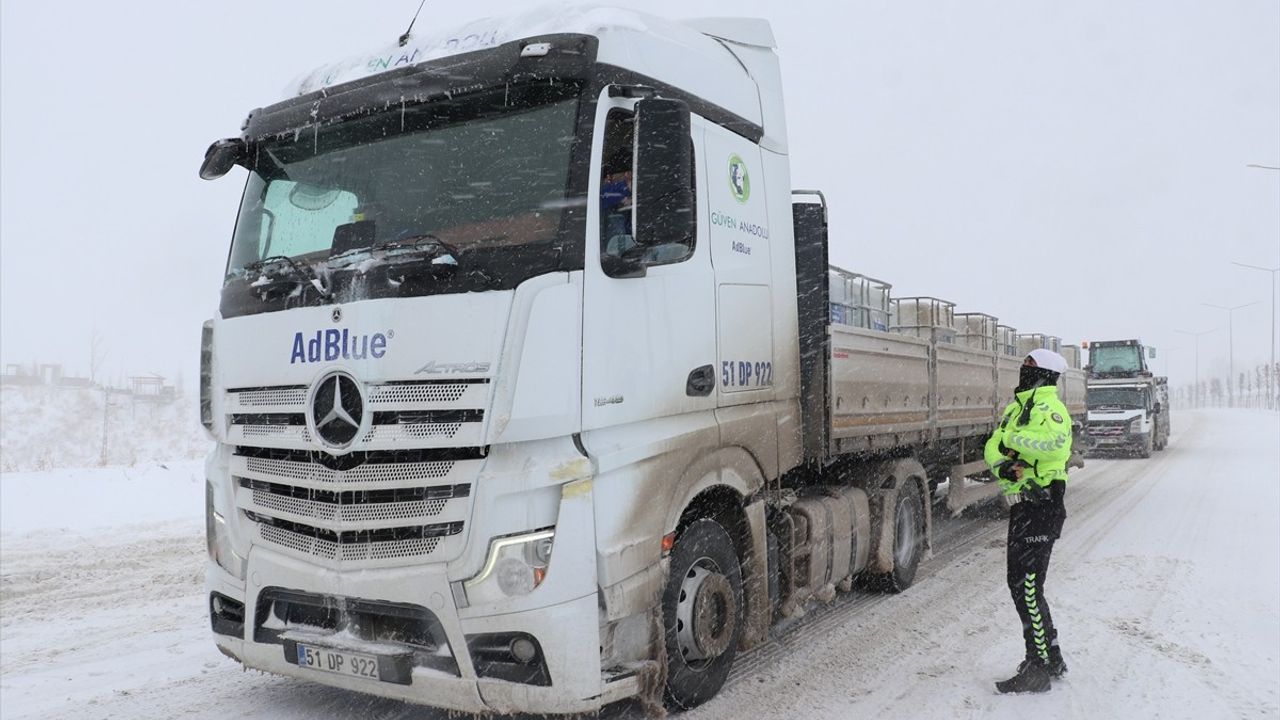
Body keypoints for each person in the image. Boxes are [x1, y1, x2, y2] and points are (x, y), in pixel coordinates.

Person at [984, 348, 1072, 693]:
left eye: (1031, 365)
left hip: (1043, 502)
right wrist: (1003, 463)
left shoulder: (1050, 409)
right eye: (1025, 364)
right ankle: (1051, 657)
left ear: (1047, 373)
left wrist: (1010, 440)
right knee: (1019, 584)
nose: (1025, 368)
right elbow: (990, 446)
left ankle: (1037, 666)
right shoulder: (1017, 407)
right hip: (1022, 506)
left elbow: (1055, 445)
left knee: (1027, 588)